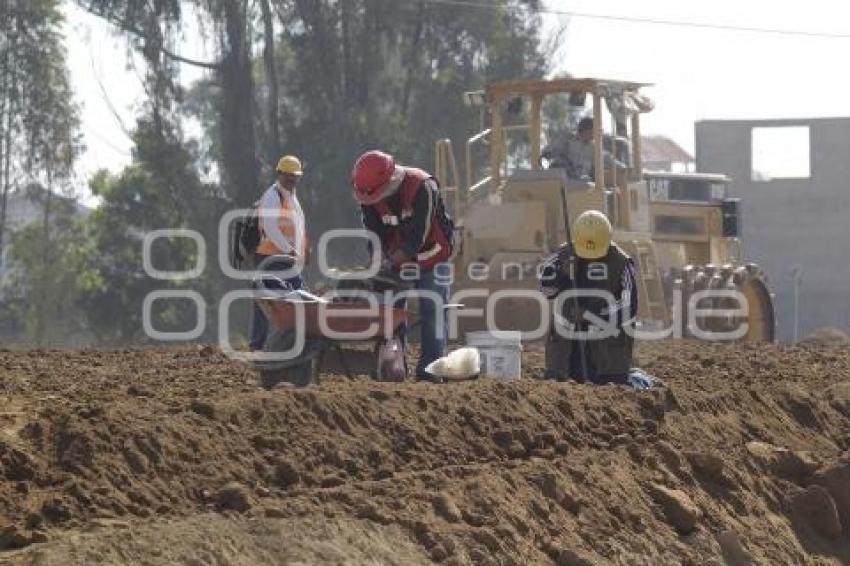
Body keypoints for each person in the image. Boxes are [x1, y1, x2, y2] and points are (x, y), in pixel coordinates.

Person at [351, 150, 455, 382]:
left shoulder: (422, 187)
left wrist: (390, 261)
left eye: (376, 196)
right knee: (391, 313)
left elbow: (418, 237)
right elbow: (373, 235)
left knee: (433, 312)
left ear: (389, 181)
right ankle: (393, 369)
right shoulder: (368, 194)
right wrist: (377, 262)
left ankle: (431, 373)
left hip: (433, 255)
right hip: (397, 258)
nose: (373, 202)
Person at [539, 210, 638, 384]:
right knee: (559, 380)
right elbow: (547, 291)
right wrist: (561, 273)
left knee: (610, 383)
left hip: (608, 355)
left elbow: (629, 306)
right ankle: (561, 371)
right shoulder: (561, 256)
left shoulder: (622, 263)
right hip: (566, 351)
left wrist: (591, 315)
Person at [249, 154, 308, 352]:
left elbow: (297, 228)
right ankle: (257, 345)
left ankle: (299, 341)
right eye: (287, 175)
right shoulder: (273, 196)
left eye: (295, 175)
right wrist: (290, 250)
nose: (291, 179)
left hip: (287, 259)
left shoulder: (292, 197)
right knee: (265, 302)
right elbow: (271, 228)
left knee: (300, 297)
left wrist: (302, 250)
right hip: (269, 257)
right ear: (279, 174)